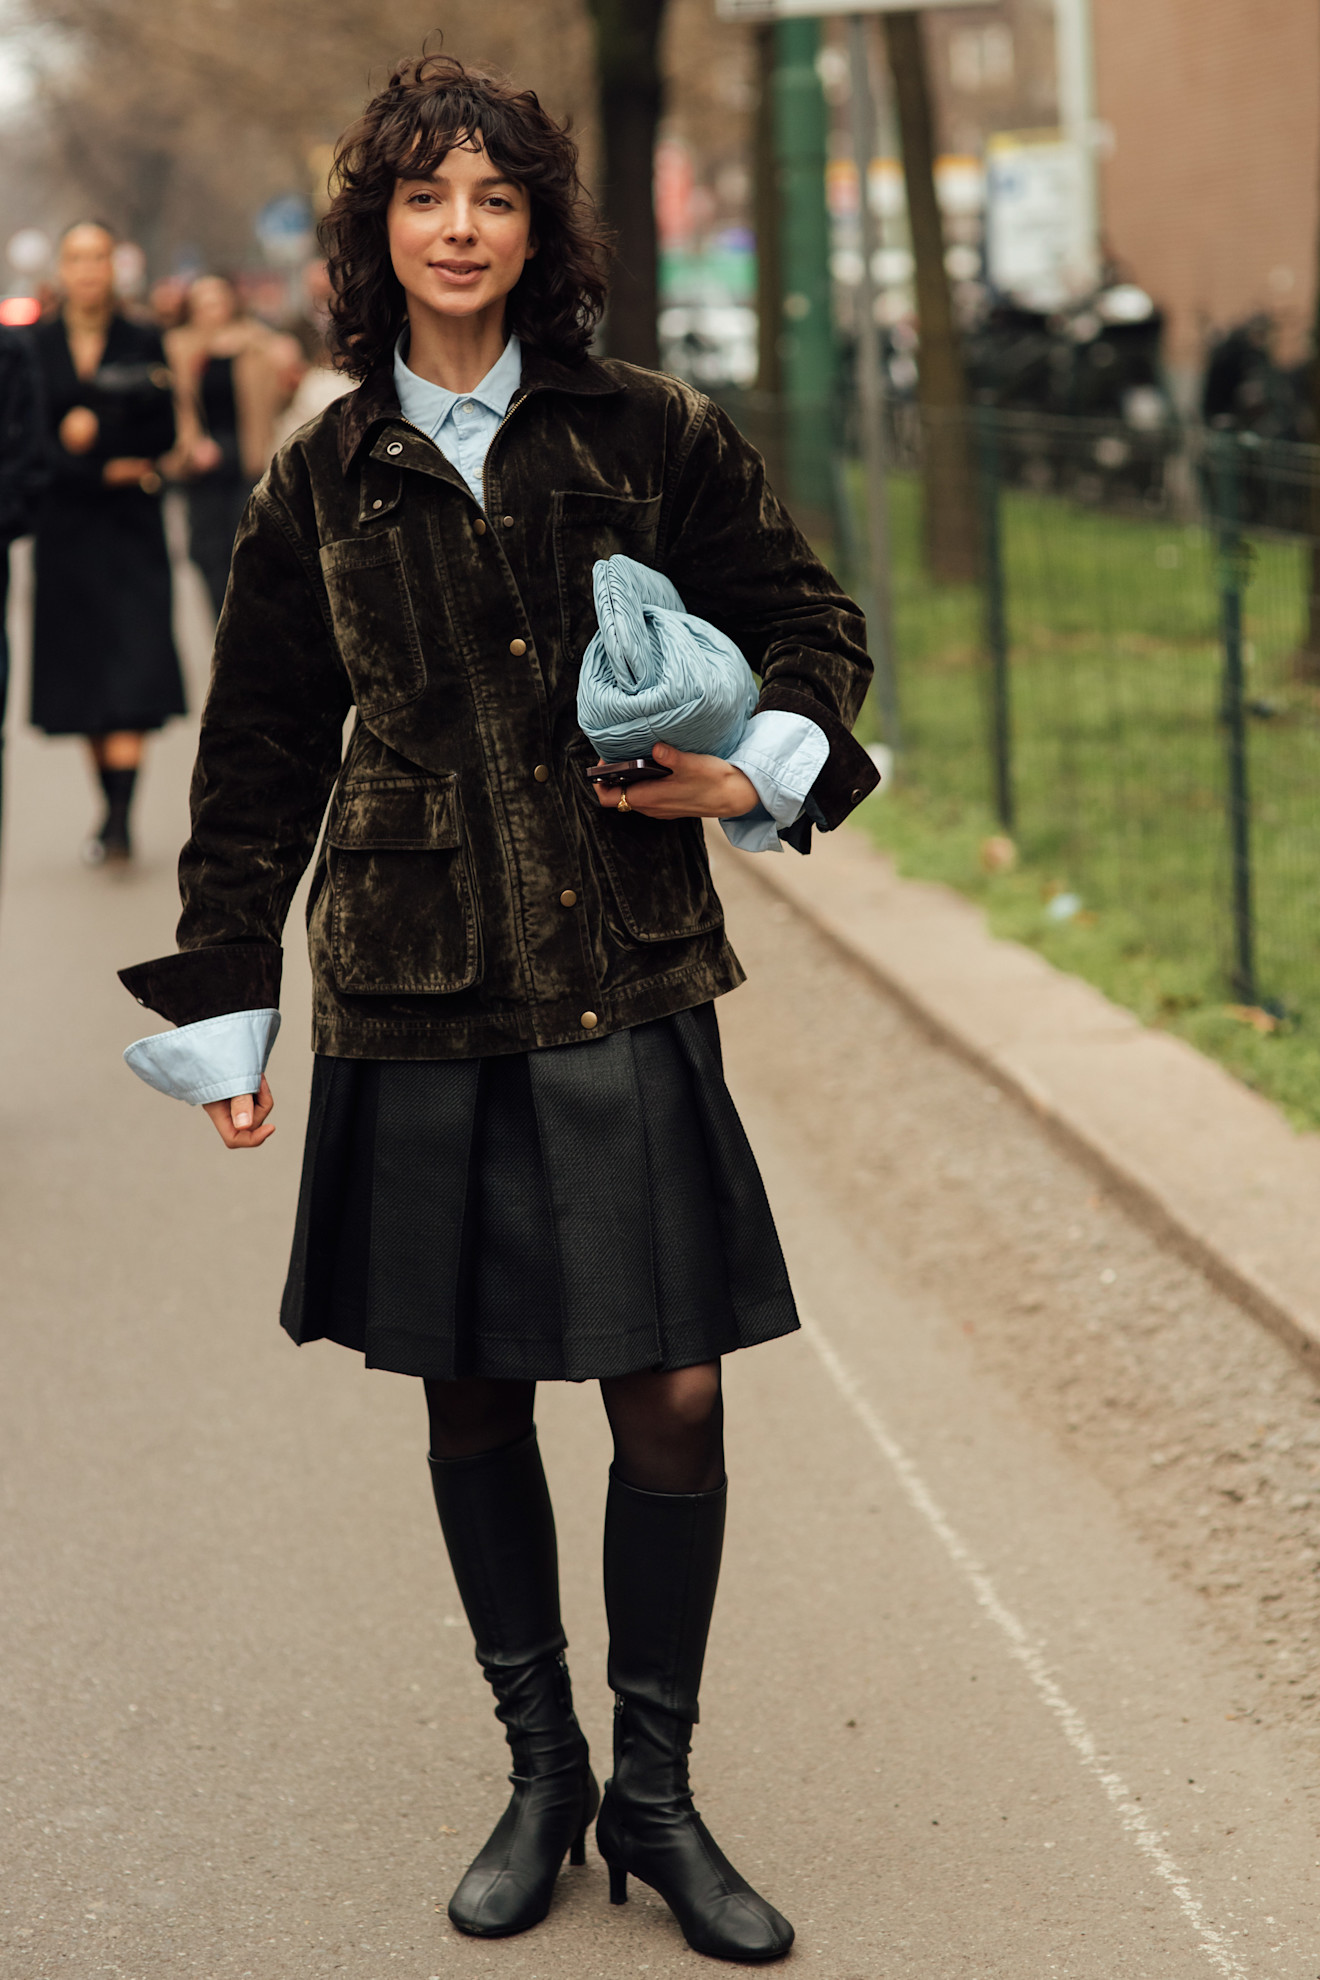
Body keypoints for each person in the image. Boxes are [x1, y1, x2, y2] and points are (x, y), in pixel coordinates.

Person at [118, 54, 878, 1963]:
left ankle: (660, 1793)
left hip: (620, 951)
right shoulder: (322, 465)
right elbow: (264, 748)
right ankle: (540, 1775)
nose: (461, 227)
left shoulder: (646, 428)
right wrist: (229, 1008)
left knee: (674, 1390)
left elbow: (812, 618)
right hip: (413, 978)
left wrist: (756, 769)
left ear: (540, 232)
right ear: (381, 232)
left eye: (497, 198)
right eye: (426, 197)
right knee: (471, 1394)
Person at [30, 222, 185, 863]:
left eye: (99, 256)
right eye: (76, 257)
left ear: (113, 267)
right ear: (61, 268)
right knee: (85, 678)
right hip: (66, 531)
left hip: (130, 529)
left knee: (133, 668)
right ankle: (109, 807)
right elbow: (28, 442)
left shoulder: (142, 336)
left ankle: (120, 819)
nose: (88, 269)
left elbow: (165, 427)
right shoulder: (31, 347)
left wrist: (112, 436)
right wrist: (91, 464)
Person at [167, 276, 300, 620]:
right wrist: (191, 445)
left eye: (217, 301)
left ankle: (255, 635)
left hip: (248, 461)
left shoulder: (259, 344)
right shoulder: (176, 348)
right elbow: (175, 407)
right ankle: (222, 629)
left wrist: (286, 368)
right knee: (208, 554)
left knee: (252, 554)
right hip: (202, 466)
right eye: (203, 303)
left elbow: (282, 399)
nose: (211, 310)